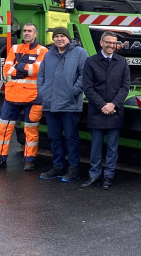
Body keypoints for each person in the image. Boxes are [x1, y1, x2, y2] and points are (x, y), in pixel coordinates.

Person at [0, 23, 47, 171]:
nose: (26, 33)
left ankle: (29, 160)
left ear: (35, 34)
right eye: (25, 31)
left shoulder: (43, 50)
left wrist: (18, 66)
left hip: (32, 97)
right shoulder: (14, 48)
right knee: (3, 130)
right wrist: (25, 69)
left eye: (30, 31)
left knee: (31, 131)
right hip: (12, 96)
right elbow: (7, 70)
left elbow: (37, 70)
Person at [37, 26, 88, 183]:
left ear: (68, 38)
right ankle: (58, 166)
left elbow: (84, 75)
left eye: (62, 36)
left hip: (69, 104)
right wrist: (43, 92)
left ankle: (74, 169)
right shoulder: (49, 54)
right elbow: (41, 75)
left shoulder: (80, 53)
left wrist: (73, 92)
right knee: (54, 137)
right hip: (51, 103)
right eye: (56, 36)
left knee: (71, 137)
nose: (59, 39)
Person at [80, 30, 131, 190]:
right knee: (95, 147)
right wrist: (102, 105)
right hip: (97, 111)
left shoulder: (122, 62)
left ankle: (108, 176)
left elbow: (125, 86)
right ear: (101, 43)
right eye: (108, 42)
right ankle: (94, 176)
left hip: (115, 111)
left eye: (114, 43)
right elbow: (87, 87)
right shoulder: (91, 62)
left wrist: (113, 104)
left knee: (112, 148)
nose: (111, 46)